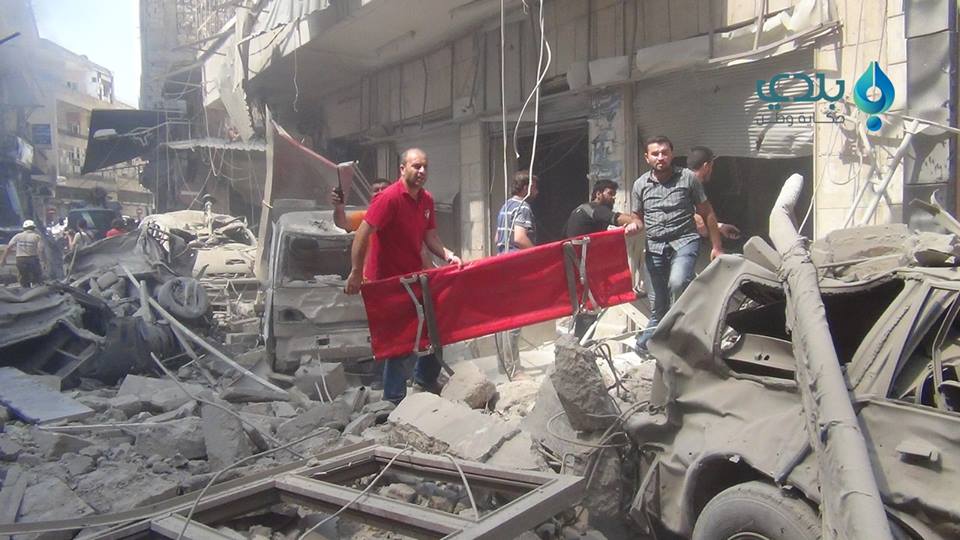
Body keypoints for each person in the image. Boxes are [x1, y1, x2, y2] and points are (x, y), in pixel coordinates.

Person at [344, 148, 462, 404]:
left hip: (415, 278)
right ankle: (393, 400)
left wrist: (448, 255)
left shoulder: (426, 200)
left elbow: (430, 236)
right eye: (416, 166)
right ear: (402, 168)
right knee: (400, 340)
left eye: (425, 167)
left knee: (436, 326)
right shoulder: (388, 198)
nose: (422, 171)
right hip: (387, 283)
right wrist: (356, 272)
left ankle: (425, 381)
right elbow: (362, 233)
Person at [632, 136, 723, 354]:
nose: (660, 157)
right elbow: (637, 217)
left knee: (677, 282)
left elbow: (707, 212)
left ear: (672, 154)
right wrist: (634, 225)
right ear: (647, 158)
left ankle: (678, 337)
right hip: (654, 248)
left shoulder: (688, 178)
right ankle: (647, 346)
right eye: (655, 154)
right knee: (658, 306)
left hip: (684, 241)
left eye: (664, 152)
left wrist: (717, 247)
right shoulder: (640, 185)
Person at [564, 179, 641, 339]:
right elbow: (618, 219)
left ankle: (578, 343)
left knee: (585, 309)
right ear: (598, 194)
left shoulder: (579, 210)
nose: (613, 198)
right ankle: (580, 344)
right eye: (610, 194)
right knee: (589, 309)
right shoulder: (595, 209)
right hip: (584, 269)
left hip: (576, 269)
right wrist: (637, 221)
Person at [492, 170, 538, 375]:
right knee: (515, 319)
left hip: (502, 264)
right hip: (516, 266)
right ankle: (514, 369)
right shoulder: (523, 207)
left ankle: (503, 365)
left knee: (504, 318)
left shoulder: (506, 206)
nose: (537, 191)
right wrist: (538, 254)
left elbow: (497, 238)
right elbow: (519, 238)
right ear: (525, 188)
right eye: (534, 187)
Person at [2, 220, 46, 288]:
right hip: (32, 259)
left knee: (24, 279)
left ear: (24, 228)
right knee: (37, 278)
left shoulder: (18, 236)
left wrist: (3, 259)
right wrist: (43, 261)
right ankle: (35, 291)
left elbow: (8, 248)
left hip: (20, 259)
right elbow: (40, 250)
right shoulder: (36, 237)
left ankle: (25, 291)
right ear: (33, 228)